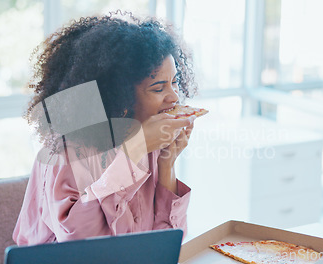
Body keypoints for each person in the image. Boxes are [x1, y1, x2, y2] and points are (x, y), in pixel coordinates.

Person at [13, 11, 198, 245]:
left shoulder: (148, 138)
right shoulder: (66, 149)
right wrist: (132, 153)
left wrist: (167, 162)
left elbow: (166, 241)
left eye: (174, 82)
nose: (174, 96)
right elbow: (80, 245)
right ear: (119, 97)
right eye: (158, 88)